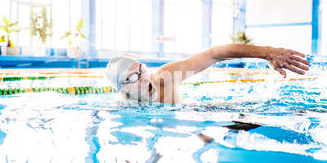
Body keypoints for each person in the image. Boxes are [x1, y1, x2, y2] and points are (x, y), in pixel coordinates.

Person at [106, 43, 310, 104]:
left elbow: (214, 55)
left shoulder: (165, 77)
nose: (143, 79)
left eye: (141, 70)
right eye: (132, 78)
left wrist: (266, 53)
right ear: (122, 89)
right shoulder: (120, 110)